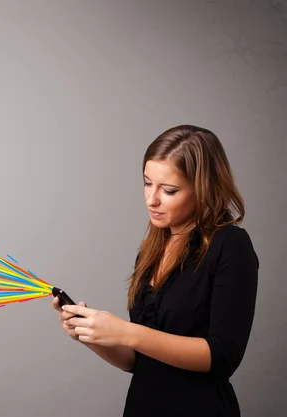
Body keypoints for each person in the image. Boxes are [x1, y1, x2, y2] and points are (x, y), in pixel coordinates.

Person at [52, 124, 259, 417]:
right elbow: (137, 361)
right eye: (148, 183)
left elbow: (224, 355)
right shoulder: (152, 249)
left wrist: (125, 331)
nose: (152, 199)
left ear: (203, 188)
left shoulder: (231, 245)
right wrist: (92, 335)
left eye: (169, 190)